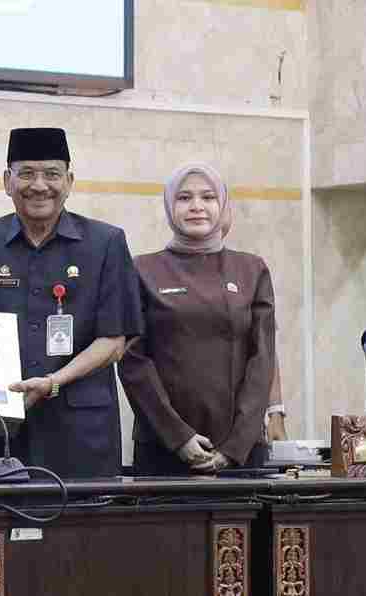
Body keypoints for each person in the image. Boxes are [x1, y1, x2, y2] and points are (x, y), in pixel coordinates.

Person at [0, 127, 143, 477]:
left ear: (69, 181)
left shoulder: (106, 243)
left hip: (83, 430)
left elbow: (114, 341)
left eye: (52, 174)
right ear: (7, 181)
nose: (39, 185)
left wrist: (53, 381)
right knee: (1, 511)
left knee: (85, 513)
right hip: (2, 426)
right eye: (26, 173)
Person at [118, 163, 276, 475]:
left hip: (240, 451)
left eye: (208, 197)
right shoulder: (141, 269)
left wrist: (235, 447)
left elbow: (263, 359)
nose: (196, 206)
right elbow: (132, 360)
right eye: (184, 197)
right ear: (169, 205)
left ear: (222, 204)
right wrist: (179, 437)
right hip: (163, 447)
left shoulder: (252, 269)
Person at [220, 202, 289, 442]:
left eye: (216, 202)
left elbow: (265, 349)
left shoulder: (248, 270)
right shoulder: (161, 269)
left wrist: (276, 411)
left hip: (242, 422)